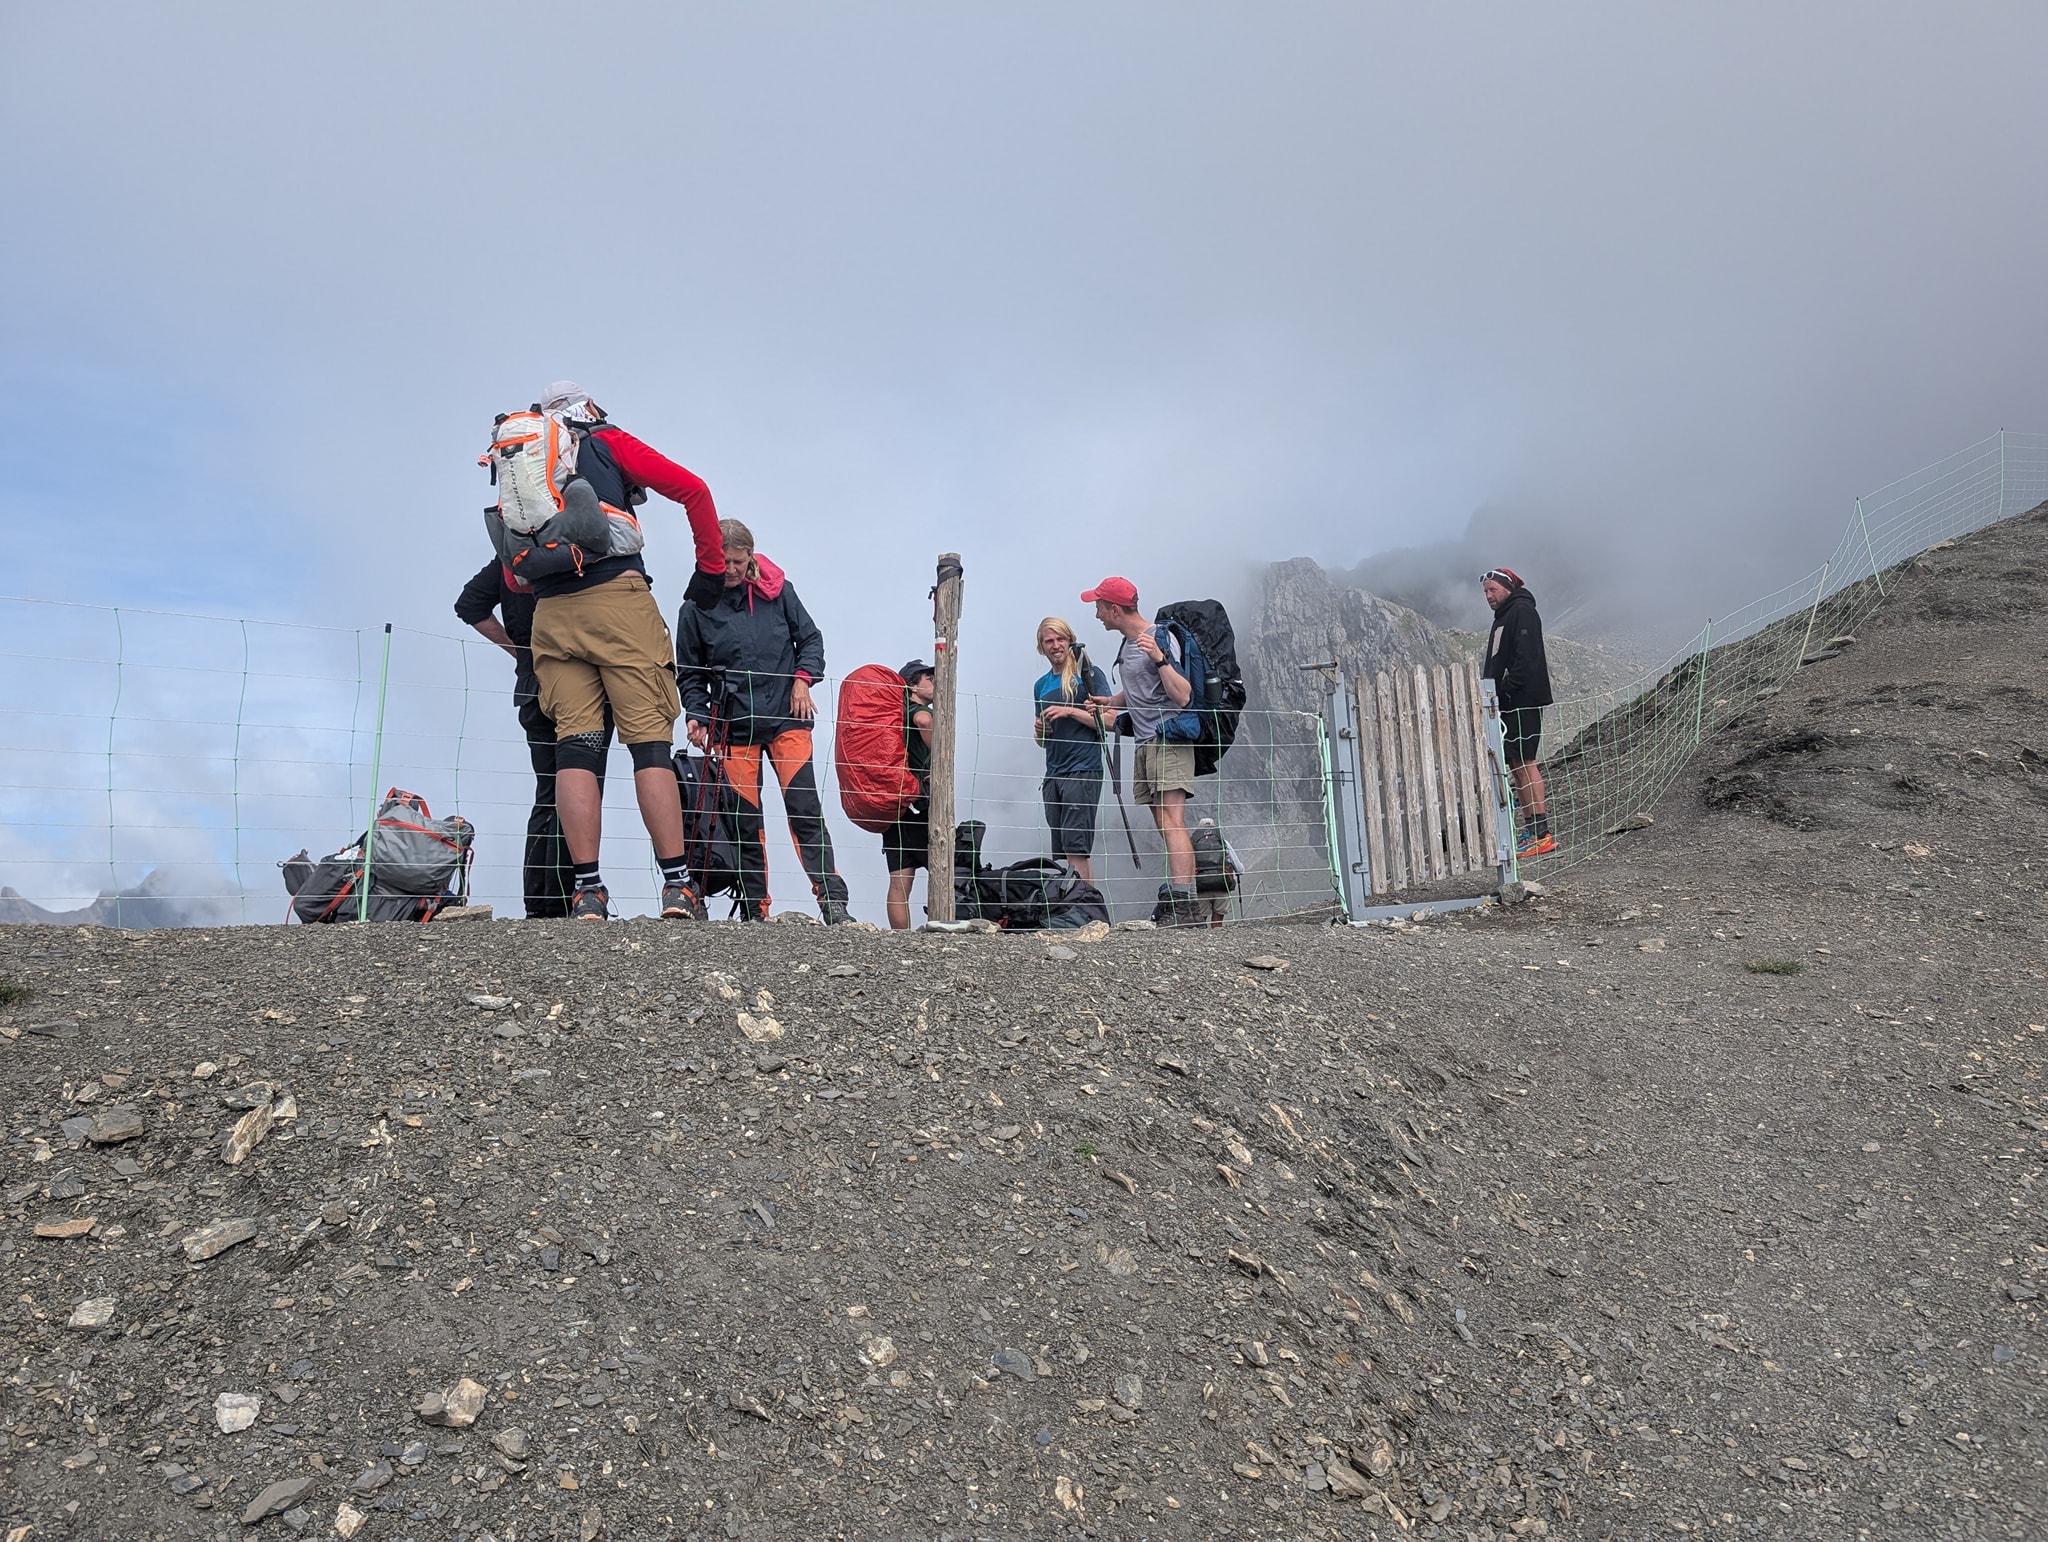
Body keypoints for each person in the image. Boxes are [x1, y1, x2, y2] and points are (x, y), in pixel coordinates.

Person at [519, 382, 726, 922]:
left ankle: (587, 892)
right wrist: (709, 572)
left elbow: (516, 571)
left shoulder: (523, 463)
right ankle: (678, 888)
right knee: (649, 744)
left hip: (552, 615)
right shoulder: (606, 441)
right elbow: (694, 490)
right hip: (617, 602)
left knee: (577, 748)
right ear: (587, 409)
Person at [676, 519, 852, 923]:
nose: (733, 569)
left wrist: (802, 680)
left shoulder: (779, 592)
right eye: (726, 562)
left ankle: (832, 901)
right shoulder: (695, 608)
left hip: (787, 718)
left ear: (751, 557)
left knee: (804, 809)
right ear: (708, 558)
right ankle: (757, 912)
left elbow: (811, 640)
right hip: (733, 727)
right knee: (744, 822)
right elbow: (689, 672)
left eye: (740, 561)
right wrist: (697, 714)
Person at [453, 558, 609, 917]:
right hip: (585, 686)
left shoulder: (511, 559)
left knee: (549, 793)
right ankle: (576, 896)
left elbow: (469, 605)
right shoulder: (577, 555)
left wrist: (520, 653)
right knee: (583, 788)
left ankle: (541, 904)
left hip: (531, 687)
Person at [1082, 576, 1199, 923]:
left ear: (1115, 609)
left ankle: (1183, 903)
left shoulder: (1157, 639)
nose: (1097, 614)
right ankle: (1179, 899)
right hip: (1146, 743)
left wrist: (1161, 659)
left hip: (1169, 740)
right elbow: (1141, 690)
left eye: (1100, 607)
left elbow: (1183, 695)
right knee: (1164, 823)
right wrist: (1111, 700)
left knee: (1173, 822)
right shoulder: (1128, 644)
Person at [1480, 566, 1556, 857]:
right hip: (1510, 702)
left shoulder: (1521, 611)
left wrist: (1508, 688)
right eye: (1485, 592)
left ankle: (1541, 833)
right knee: (1515, 763)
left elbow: (1527, 657)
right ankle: (1531, 830)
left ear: (1507, 587)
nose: (1488, 596)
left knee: (1525, 761)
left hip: (1522, 700)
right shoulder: (1505, 616)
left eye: (1493, 590)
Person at [1032, 617, 1109, 882]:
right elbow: (1041, 741)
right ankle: (1082, 907)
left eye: (1060, 639)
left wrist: (1069, 711)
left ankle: (1086, 912)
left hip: (1082, 769)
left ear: (1070, 640)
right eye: (1048, 641)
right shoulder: (1040, 685)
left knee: (1077, 849)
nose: (1055, 646)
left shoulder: (1089, 674)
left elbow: (1110, 720)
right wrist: (1040, 731)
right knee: (1066, 850)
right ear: (1041, 647)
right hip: (1054, 773)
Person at [881, 660, 936, 930]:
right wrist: (940, 761)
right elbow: (924, 720)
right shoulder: (919, 710)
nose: (936, 684)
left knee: (899, 881)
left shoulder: (893, 714)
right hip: (921, 802)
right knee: (942, 872)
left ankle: (901, 941)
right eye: (930, 679)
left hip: (895, 803)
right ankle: (941, 928)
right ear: (913, 686)